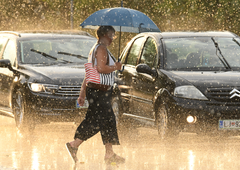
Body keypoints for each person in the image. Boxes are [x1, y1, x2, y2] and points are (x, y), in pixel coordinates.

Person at [66, 26, 125, 164]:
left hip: (97, 91)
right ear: (104, 34)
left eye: (114, 36)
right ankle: (74, 144)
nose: (112, 38)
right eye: (111, 35)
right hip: (100, 92)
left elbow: (89, 74)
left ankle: (109, 154)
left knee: (107, 120)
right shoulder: (101, 49)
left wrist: (82, 93)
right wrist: (116, 67)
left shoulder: (95, 48)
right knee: (97, 121)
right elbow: (101, 68)